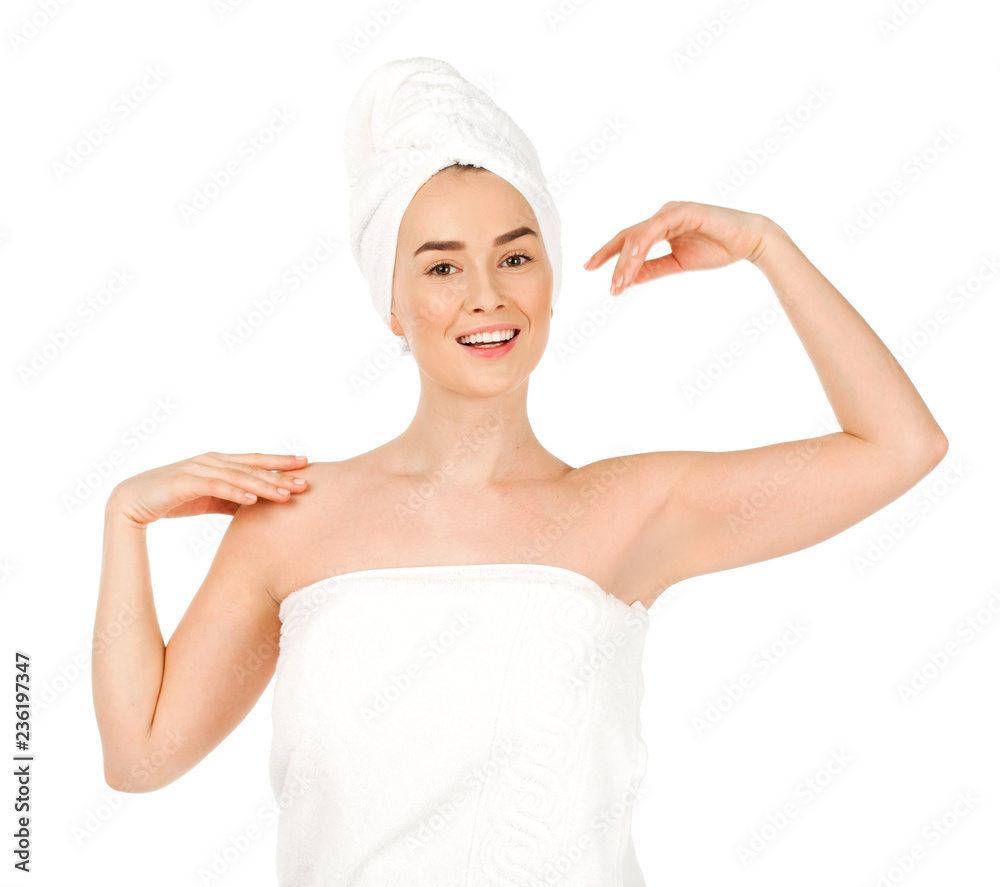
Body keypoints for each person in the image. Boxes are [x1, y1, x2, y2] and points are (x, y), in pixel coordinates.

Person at [91, 58, 947, 886]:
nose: (486, 296)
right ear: (392, 303)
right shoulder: (291, 521)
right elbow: (141, 756)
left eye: (514, 256)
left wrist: (766, 244)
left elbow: (901, 446)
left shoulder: (629, 510)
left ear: (549, 280)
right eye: (441, 266)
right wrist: (125, 516)